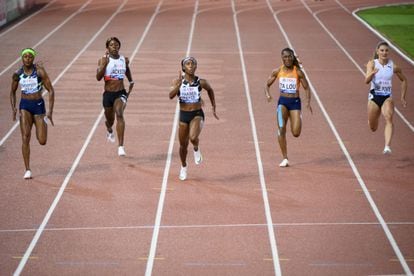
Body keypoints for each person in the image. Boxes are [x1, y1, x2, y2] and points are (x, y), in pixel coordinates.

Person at [169, 57, 219, 180]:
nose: (191, 66)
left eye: (193, 64)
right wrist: (179, 85)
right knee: (182, 146)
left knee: (193, 137)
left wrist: (213, 106)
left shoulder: (201, 82)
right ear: (183, 68)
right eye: (188, 64)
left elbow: (210, 90)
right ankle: (184, 167)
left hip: (197, 114)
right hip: (183, 115)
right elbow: (171, 96)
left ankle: (196, 148)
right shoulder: (177, 81)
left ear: (196, 67)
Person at [10, 48, 55, 179]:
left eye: (30, 57)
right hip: (24, 106)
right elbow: (12, 92)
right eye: (25, 57)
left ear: (33, 58)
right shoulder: (17, 74)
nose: (28, 59)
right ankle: (27, 169)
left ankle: (42, 124)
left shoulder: (39, 71)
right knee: (25, 136)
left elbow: (51, 90)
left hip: (38, 106)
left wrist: (50, 112)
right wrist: (13, 108)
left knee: (42, 141)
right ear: (22, 58)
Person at [264, 47, 312, 167]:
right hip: (283, 102)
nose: (287, 59)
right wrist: (268, 94)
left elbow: (306, 88)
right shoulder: (277, 71)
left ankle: (298, 117)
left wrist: (307, 102)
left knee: (296, 133)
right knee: (281, 128)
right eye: (285, 57)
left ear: (292, 58)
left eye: (290, 56)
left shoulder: (298, 72)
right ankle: (285, 158)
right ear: (282, 58)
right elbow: (267, 84)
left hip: (295, 103)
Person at [365, 41, 407, 154]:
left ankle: (387, 147)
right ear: (378, 52)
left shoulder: (393, 66)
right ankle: (373, 118)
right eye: (382, 50)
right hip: (374, 97)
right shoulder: (372, 64)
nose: (384, 52)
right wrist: (372, 73)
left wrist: (403, 96)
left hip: (387, 97)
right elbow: (366, 81)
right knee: (373, 128)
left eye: (386, 50)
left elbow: (404, 80)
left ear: (389, 52)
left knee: (389, 118)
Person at [96, 37, 134, 156]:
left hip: (120, 93)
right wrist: (104, 65)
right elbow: (98, 77)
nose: (115, 47)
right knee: (110, 120)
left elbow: (127, 70)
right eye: (112, 45)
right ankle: (109, 128)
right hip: (108, 94)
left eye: (117, 45)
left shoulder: (124, 59)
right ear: (107, 48)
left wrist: (131, 81)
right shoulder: (103, 60)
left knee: (119, 113)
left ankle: (121, 146)